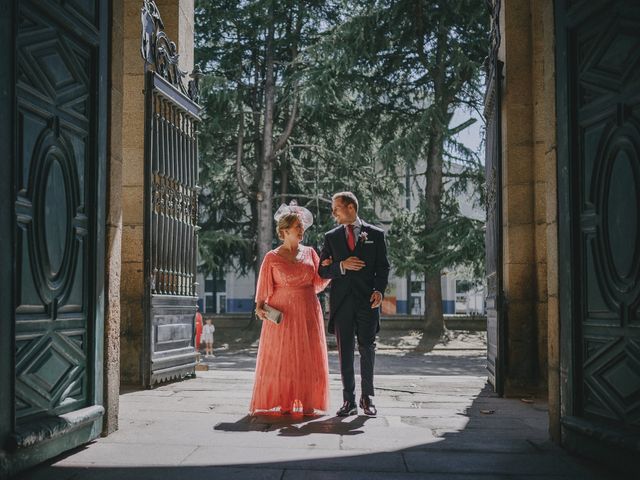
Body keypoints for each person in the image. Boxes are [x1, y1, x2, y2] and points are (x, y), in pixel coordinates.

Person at [250, 202, 331, 415]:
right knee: (283, 357)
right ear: (284, 231)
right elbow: (262, 290)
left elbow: (320, 282)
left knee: (308, 356)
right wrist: (260, 308)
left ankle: (308, 401)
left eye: (302, 226)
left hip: (308, 310)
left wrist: (330, 267)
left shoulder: (311, 253)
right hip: (282, 313)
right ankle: (284, 401)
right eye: (297, 226)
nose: (301, 229)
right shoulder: (271, 257)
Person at [319, 192, 390, 417]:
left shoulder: (376, 235)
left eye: (336, 208)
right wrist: (341, 265)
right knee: (345, 351)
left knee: (367, 348)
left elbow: (383, 267)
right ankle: (348, 401)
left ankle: (367, 398)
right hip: (342, 304)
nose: (333, 213)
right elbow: (322, 270)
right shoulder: (331, 237)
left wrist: (379, 290)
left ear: (350, 207)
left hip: (368, 302)